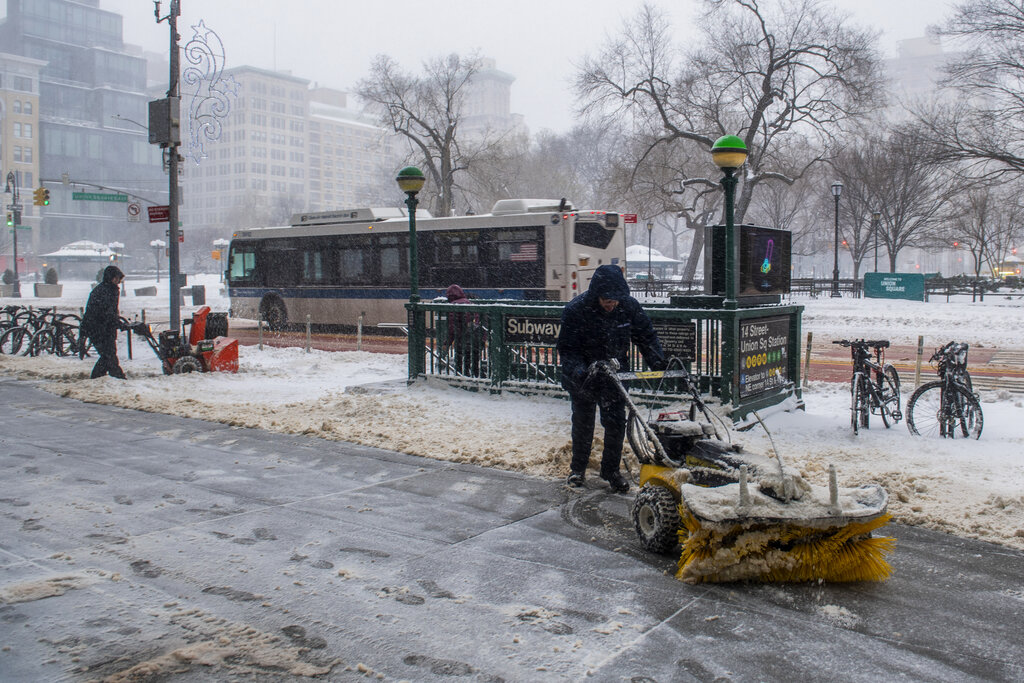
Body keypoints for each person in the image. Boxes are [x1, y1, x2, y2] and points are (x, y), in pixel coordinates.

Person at [557, 264, 666, 493]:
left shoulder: (628, 307)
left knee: (616, 423)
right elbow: (567, 350)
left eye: (615, 300)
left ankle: (611, 471)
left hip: (615, 374)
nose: (612, 304)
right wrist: (579, 371)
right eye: (607, 299)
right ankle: (578, 470)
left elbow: (645, 335)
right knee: (583, 424)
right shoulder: (576, 310)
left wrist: (657, 361)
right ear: (597, 294)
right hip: (585, 376)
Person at [80, 265, 128, 379]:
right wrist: (118, 323)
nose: (117, 281)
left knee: (108, 356)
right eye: (115, 278)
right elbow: (106, 312)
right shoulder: (106, 291)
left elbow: (109, 312)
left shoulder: (107, 289)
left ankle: (98, 378)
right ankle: (117, 377)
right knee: (109, 356)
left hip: (102, 328)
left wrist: (116, 322)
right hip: (99, 329)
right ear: (110, 277)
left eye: (118, 279)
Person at [443, 284, 482, 376]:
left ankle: (461, 376)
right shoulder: (469, 302)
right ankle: (475, 375)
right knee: (473, 358)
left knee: (460, 358)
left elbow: (452, 328)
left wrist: (447, 343)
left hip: (461, 338)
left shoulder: (453, 306)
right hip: (474, 337)